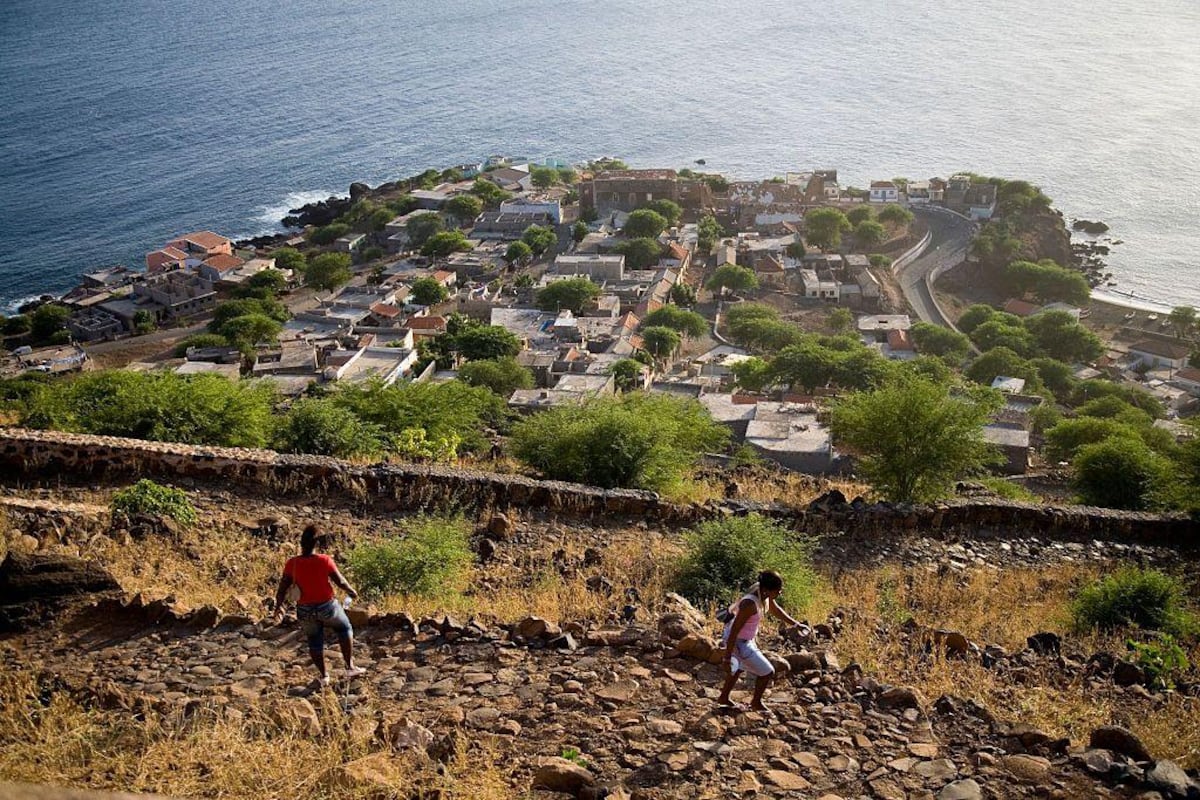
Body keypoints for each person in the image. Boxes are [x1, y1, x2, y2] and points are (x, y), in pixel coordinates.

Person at [272, 524, 364, 685]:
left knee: (314, 640)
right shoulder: (324, 560)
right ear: (317, 544)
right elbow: (340, 581)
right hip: (327, 607)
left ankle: (324, 676)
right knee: (344, 628)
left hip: (305, 609)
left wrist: (278, 606)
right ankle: (349, 667)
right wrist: (351, 592)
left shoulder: (292, 563)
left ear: (301, 543)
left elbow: (282, 589)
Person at [716, 569, 801, 712]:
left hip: (746, 639)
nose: (780, 593)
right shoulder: (749, 604)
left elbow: (776, 610)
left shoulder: (761, 591)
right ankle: (756, 702)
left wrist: (796, 624)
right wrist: (727, 657)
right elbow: (734, 632)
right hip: (738, 641)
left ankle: (724, 697)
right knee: (767, 672)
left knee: (737, 669)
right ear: (767, 590)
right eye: (778, 590)